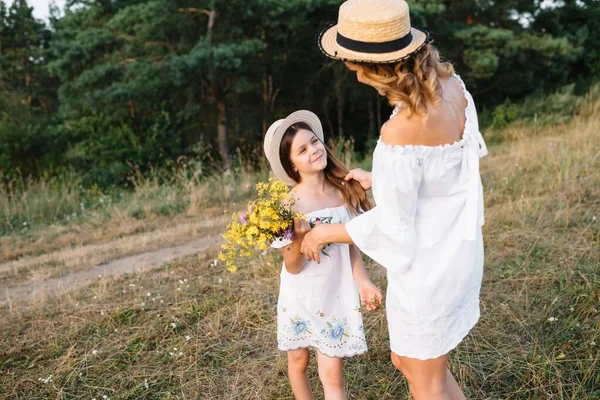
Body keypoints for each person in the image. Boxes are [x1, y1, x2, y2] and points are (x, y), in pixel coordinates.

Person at [302, 1, 489, 399]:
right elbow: (450, 169)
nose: (350, 70)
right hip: (458, 251)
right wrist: (383, 179)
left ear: (373, 68)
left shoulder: (399, 132)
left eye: (351, 63)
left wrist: (325, 234)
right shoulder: (455, 89)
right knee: (408, 363)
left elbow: (394, 230)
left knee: (427, 383)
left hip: (431, 268)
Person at [264, 110, 384, 400]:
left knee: (332, 375)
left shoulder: (342, 191)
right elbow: (292, 268)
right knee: (298, 360)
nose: (315, 150)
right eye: (302, 150)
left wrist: (363, 281)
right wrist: (302, 237)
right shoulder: (288, 205)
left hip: (335, 293)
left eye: (315, 142)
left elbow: (350, 242)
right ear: (291, 164)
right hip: (301, 294)